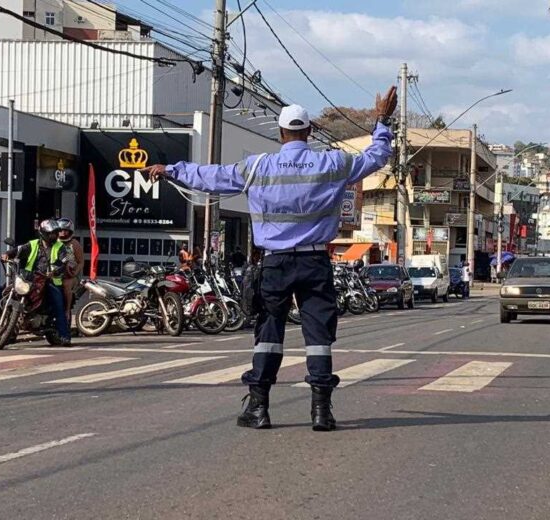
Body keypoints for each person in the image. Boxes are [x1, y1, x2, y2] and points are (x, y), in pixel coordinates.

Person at [144, 86, 398, 432]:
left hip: (275, 264)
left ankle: (259, 408)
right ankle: (322, 411)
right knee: (318, 337)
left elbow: (211, 176)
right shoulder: (333, 163)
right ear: (308, 133)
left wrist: (171, 169)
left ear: (280, 134)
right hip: (314, 263)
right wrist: (382, 121)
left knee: (268, 333)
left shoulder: (258, 167)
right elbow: (377, 156)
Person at [1, 219, 72, 345]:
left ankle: (64, 335)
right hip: (30, 279)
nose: (54, 236)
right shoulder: (33, 244)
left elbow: (65, 262)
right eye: (51, 233)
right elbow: (19, 250)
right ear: (43, 233)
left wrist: (55, 271)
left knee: (58, 305)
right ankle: (8, 332)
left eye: (55, 233)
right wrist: (7, 254)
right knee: (6, 292)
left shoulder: (60, 247)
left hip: (50, 281)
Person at [57, 217, 83, 325]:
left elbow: (81, 262)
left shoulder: (74, 244)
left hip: (70, 275)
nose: (63, 233)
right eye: (60, 230)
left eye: (65, 230)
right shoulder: (53, 242)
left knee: (66, 285)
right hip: (55, 273)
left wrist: (74, 273)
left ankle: (67, 311)